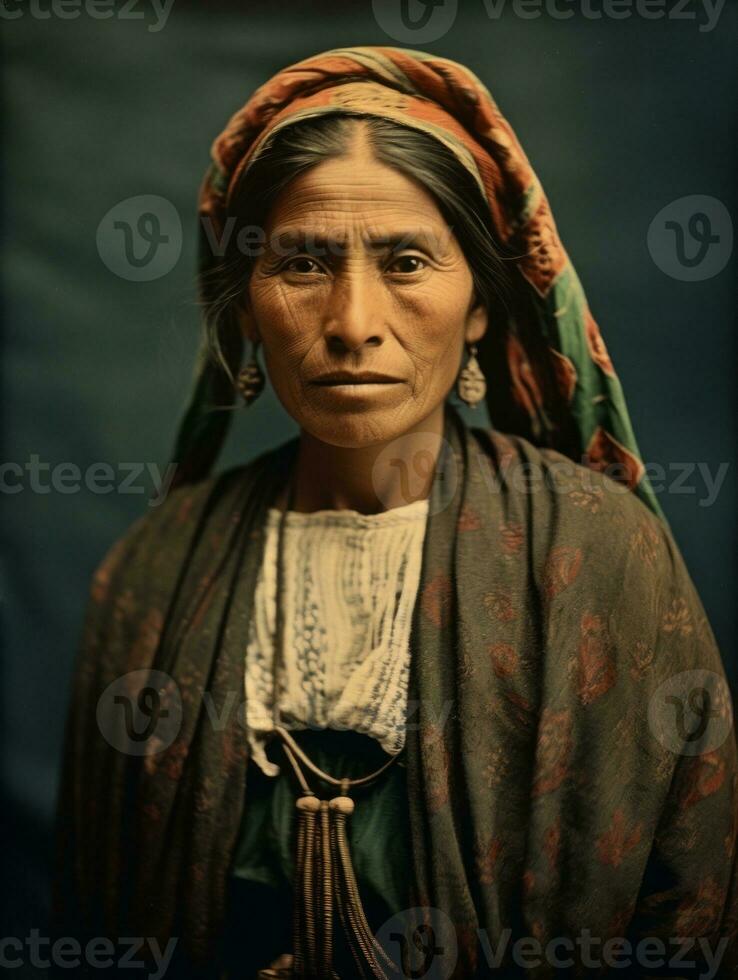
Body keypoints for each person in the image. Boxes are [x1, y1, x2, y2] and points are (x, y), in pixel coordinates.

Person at [52, 46, 737, 979]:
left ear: (483, 307)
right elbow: (93, 916)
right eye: (302, 263)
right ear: (247, 309)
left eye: (408, 260)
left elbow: (690, 913)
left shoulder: (599, 554)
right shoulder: (153, 573)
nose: (353, 321)